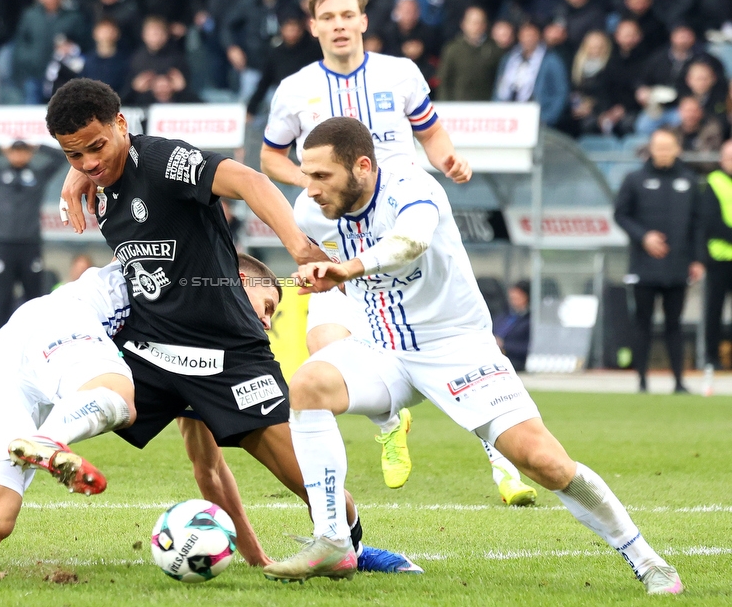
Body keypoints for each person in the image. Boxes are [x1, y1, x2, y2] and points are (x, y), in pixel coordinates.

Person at [263, 117, 684, 595]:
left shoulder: (412, 186)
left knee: (545, 463)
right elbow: (316, 251)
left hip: (456, 347)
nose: (310, 188)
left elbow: (411, 241)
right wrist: (321, 273)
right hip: (381, 346)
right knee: (307, 385)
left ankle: (647, 560)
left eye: (322, 176)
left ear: (362, 166)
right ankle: (334, 538)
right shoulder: (310, 209)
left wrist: (347, 268)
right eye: (305, 174)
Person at [0, 255, 412, 575]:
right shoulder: (182, 287)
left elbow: (208, 469)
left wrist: (255, 555)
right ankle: (354, 547)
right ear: (233, 280)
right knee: (115, 396)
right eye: (264, 305)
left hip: (13, 353)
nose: (264, 323)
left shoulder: (209, 359)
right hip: (55, 330)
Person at [53, 78, 413, 574]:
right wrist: (80, 171)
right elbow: (208, 472)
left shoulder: (162, 161)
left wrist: (299, 246)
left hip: (227, 352)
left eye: (97, 147)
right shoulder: (95, 179)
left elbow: (250, 182)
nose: (90, 162)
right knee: (43, 410)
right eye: (75, 156)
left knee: (306, 479)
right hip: (150, 351)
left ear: (121, 125)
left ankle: (349, 545)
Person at [259, 0, 534, 506]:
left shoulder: (399, 74)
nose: (339, 25)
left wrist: (448, 158)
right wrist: (314, 181)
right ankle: (389, 420)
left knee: (452, 345)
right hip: (339, 232)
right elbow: (271, 157)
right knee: (324, 346)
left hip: (406, 229)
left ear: (363, 20)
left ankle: (507, 465)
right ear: (313, 26)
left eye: (347, 15)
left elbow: (431, 131)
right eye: (328, 18)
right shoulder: (295, 89)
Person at [613, 129, 705, 393]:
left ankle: (678, 381)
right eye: (658, 147)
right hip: (644, 265)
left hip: (678, 265)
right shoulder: (635, 179)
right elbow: (621, 214)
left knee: (674, 324)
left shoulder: (689, 180)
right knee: (643, 323)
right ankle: (641, 381)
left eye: (668, 147)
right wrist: (644, 238)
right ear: (650, 149)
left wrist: (698, 259)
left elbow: (698, 225)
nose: (663, 152)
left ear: (677, 149)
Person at [0, 140, 64, 324]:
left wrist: (38, 147)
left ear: (29, 153)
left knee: (34, 296)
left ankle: (35, 339)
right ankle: (3, 341)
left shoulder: (38, 174)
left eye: (23, 151)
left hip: (30, 244)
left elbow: (61, 158)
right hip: (3, 244)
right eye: (14, 151)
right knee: (2, 296)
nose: (19, 155)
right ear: (8, 153)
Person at [494, 21, 569, 127]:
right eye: (524, 35)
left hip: (537, 118)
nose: (528, 39)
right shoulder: (509, 59)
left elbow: (560, 92)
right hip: (507, 116)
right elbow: (499, 86)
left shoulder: (551, 60)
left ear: (539, 36)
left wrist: (547, 118)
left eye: (531, 35)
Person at [701, 140, 732, 380]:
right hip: (720, 258)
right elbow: (711, 222)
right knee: (714, 311)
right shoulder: (714, 182)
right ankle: (711, 357)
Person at [437, 6, 505, 102]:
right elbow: (444, 81)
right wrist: (445, 104)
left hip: (486, 108)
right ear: (463, 24)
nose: (477, 26)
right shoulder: (452, 49)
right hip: (457, 107)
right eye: (473, 22)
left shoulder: (495, 50)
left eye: (480, 22)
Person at [493, 280, 531, 372]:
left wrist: (504, 345)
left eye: (517, 297)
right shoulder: (503, 316)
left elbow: (529, 346)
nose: (513, 300)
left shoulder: (529, 321)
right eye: (512, 297)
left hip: (515, 360)